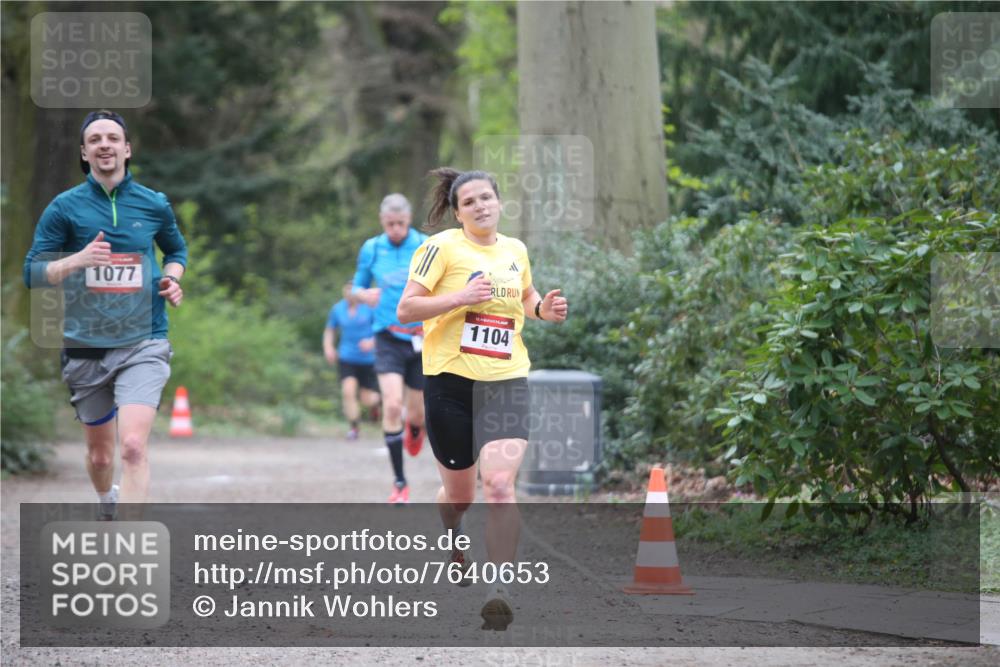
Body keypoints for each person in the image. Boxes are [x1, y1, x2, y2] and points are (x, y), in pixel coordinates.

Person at [397, 168, 568, 630]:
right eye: (469, 202)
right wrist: (461, 297)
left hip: (506, 381)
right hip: (450, 384)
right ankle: (453, 536)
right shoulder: (440, 248)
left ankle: (500, 588)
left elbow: (526, 294)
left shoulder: (516, 250)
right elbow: (406, 309)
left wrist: (541, 310)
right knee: (460, 495)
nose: (480, 206)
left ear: (499, 202)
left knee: (498, 486)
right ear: (457, 212)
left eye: (486, 198)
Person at [23, 110, 187, 519]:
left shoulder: (153, 204)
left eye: (113, 138)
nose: (104, 145)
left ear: (127, 149)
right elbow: (32, 273)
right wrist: (77, 260)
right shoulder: (64, 208)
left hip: (144, 340)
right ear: (84, 152)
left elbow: (177, 251)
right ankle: (106, 500)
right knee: (100, 457)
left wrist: (170, 278)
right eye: (95, 139)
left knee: (132, 446)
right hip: (86, 347)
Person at [352, 193, 429, 504]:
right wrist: (362, 295)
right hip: (386, 336)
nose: (395, 229)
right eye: (390, 224)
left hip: (421, 336)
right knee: (392, 405)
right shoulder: (371, 248)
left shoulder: (425, 245)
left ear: (408, 221)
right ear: (382, 222)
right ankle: (400, 483)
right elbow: (356, 286)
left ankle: (415, 428)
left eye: (400, 223)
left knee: (417, 413)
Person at [323, 280, 380, 440]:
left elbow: (382, 329)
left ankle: (376, 404)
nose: (348, 293)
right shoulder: (338, 309)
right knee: (348, 391)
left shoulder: (370, 308)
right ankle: (354, 428)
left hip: (368, 359)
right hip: (346, 357)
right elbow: (330, 330)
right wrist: (329, 347)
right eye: (346, 290)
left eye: (351, 290)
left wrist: (371, 342)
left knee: (367, 399)